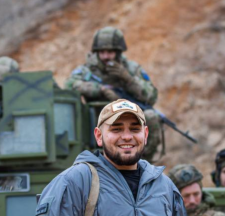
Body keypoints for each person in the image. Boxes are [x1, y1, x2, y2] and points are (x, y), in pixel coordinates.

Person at [33, 99, 188, 216]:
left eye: (135, 129)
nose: (127, 136)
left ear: (145, 134)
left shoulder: (164, 186)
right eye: (116, 129)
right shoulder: (76, 181)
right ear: (99, 136)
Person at [64, 27, 162, 161]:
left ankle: (141, 161)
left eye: (110, 52)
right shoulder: (88, 70)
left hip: (128, 117)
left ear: (118, 52)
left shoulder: (131, 68)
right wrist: (100, 90)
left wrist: (128, 79)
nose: (105, 56)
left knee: (151, 116)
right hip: (96, 120)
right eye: (102, 52)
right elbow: (70, 85)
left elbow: (151, 96)